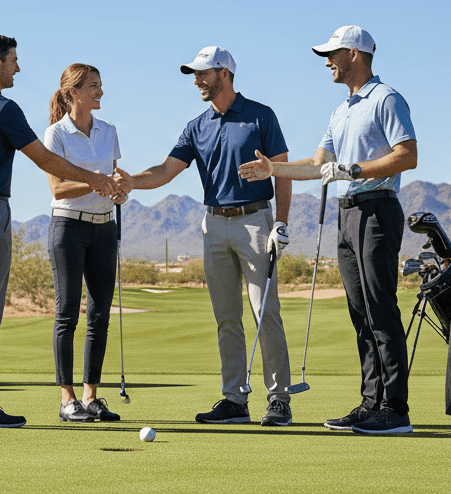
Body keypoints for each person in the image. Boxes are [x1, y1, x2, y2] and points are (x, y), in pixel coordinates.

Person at [238, 25, 417, 435]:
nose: (327, 62)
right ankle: (372, 402)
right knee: (360, 313)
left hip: (377, 209)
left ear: (354, 54)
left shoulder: (386, 98)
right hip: (347, 211)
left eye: (332, 54)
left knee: (380, 309)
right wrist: (274, 169)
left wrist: (352, 169)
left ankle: (396, 409)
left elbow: (407, 156)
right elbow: (318, 162)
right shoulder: (341, 110)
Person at [0, 34, 118, 428]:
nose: (18, 67)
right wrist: (94, 178)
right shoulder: (3, 108)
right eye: (14, 60)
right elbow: (44, 159)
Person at [115, 46, 295, 427]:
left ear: (224, 74)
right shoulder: (196, 125)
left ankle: (278, 399)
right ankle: (234, 400)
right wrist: (132, 181)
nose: (197, 80)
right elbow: (166, 170)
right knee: (226, 318)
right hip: (213, 224)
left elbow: (283, 171)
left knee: (265, 313)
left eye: (203, 74)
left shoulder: (260, 116)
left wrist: (280, 221)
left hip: (255, 222)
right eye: (195, 75)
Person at [42, 63, 128, 423]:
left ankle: (91, 397)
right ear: (73, 92)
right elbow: (58, 188)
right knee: (67, 316)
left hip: (104, 228)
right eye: (94, 86)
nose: (101, 92)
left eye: (101, 85)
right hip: (68, 228)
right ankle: (67, 400)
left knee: (100, 316)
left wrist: (119, 188)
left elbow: (115, 180)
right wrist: (98, 181)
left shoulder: (109, 131)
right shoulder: (55, 134)